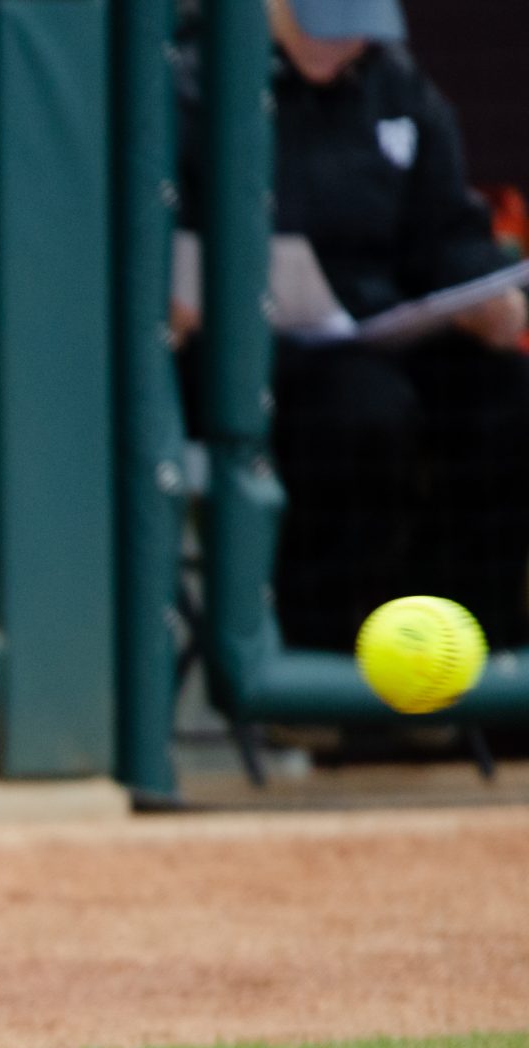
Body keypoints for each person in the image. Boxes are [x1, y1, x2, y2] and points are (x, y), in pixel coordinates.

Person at [191, 0, 529, 652]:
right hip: (259, 354)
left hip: (386, 334)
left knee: (508, 399)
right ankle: (324, 664)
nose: (342, 41)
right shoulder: (193, 78)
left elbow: (448, 236)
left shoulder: (398, 86)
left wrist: (491, 299)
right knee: (364, 409)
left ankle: (458, 657)